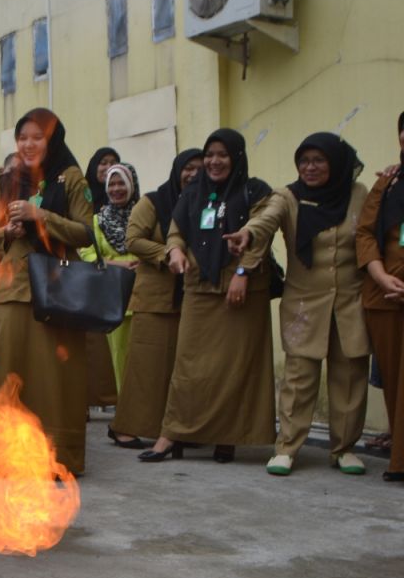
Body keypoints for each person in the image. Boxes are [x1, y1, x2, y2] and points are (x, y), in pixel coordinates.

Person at [230, 133, 369, 476]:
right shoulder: (288, 196)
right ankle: (287, 448)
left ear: (335, 163)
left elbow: (374, 231)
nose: (310, 168)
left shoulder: (359, 194)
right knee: (299, 377)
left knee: (350, 374)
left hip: (351, 301)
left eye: (318, 161)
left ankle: (344, 448)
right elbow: (266, 219)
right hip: (305, 303)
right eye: (304, 161)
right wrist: (248, 233)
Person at [141, 129, 276, 464]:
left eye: (222, 155)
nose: (214, 162)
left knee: (236, 367)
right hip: (199, 286)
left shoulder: (254, 190)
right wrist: (174, 251)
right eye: (210, 155)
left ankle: (227, 439)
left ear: (236, 158)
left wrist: (243, 273)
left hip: (240, 289)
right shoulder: (193, 193)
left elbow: (262, 234)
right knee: (188, 365)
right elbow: (176, 230)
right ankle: (170, 434)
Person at [0, 108, 93, 477]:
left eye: (37, 137)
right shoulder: (7, 181)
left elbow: (84, 232)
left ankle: (58, 457)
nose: (29, 145)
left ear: (53, 139)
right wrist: (7, 234)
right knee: (5, 370)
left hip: (59, 287)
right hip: (14, 287)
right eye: (23, 138)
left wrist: (40, 216)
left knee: (56, 375)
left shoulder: (71, 177)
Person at [111, 149, 202, 448]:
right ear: (177, 170)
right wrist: (168, 253)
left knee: (182, 368)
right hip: (155, 297)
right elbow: (133, 240)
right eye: (188, 168)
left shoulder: (204, 204)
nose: (193, 174)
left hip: (192, 296)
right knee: (145, 366)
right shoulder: (154, 201)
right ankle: (125, 427)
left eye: (199, 169)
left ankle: (177, 429)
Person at [355, 111, 404, 482]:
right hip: (385, 295)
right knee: (394, 378)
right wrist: (380, 275)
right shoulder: (386, 184)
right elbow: (365, 233)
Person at [79, 163, 140, 390]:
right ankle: (125, 412)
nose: (116, 189)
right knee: (119, 358)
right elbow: (86, 252)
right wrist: (114, 263)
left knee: (145, 358)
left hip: (143, 294)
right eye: (111, 184)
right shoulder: (98, 220)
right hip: (113, 296)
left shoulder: (144, 215)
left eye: (121, 183)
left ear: (132, 185)